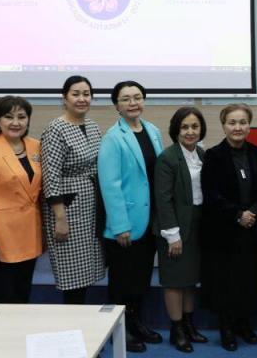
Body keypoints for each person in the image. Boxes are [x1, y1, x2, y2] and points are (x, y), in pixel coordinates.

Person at [97, 80, 163, 352]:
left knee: (141, 279)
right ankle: (119, 331)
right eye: (126, 99)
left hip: (149, 222)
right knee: (122, 283)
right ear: (117, 106)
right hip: (125, 225)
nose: (133, 102)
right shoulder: (113, 137)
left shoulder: (153, 131)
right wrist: (120, 225)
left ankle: (136, 323)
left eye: (137, 97)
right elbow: (109, 185)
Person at [201, 104, 257, 352]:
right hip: (225, 230)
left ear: (249, 125)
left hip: (253, 228)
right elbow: (212, 195)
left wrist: (253, 212)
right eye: (232, 122)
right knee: (227, 281)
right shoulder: (214, 155)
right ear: (224, 125)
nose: (238, 127)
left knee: (250, 279)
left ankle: (244, 324)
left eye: (242, 122)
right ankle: (227, 327)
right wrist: (238, 214)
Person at [40, 77, 106, 307]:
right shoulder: (55, 129)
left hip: (90, 205)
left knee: (86, 271)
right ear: (64, 98)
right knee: (72, 275)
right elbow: (50, 175)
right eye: (76, 94)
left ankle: (85, 327)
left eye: (86, 94)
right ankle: (74, 330)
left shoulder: (93, 126)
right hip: (66, 209)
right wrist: (60, 218)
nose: (82, 99)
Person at [0, 96, 43, 303]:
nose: (16, 122)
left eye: (22, 117)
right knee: (5, 299)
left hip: (30, 233)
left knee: (23, 294)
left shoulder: (36, 146)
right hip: (1, 238)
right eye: (9, 117)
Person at [154, 107, 210, 353]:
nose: (190, 131)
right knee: (175, 280)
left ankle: (189, 324)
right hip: (175, 227)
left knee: (190, 280)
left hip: (198, 225)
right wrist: (172, 235)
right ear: (176, 129)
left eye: (194, 127)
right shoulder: (167, 157)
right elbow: (163, 199)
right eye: (185, 127)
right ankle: (176, 329)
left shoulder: (203, 154)